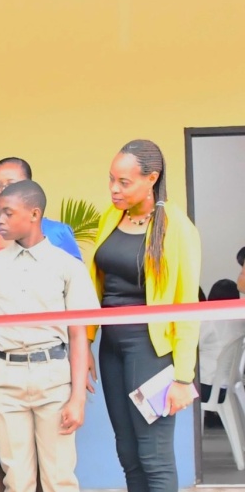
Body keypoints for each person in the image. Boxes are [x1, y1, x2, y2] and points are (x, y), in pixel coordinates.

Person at [0, 180, 100, 492]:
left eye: (7, 212)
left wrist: (78, 398)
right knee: (16, 480)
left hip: (53, 378)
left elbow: (78, 335)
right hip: (6, 380)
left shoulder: (67, 266)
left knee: (59, 479)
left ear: (34, 214)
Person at [89, 139, 201, 492]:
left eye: (124, 182)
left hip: (150, 352)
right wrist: (88, 339)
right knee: (128, 452)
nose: (114, 189)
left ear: (152, 178)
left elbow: (186, 304)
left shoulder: (177, 227)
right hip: (112, 348)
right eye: (111, 179)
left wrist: (184, 377)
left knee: (154, 455)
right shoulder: (112, 216)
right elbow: (97, 285)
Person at [198, 279, 245, 409]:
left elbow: (191, 348)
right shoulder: (241, 321)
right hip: (230, 388)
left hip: (205, 389)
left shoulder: (208, 321)